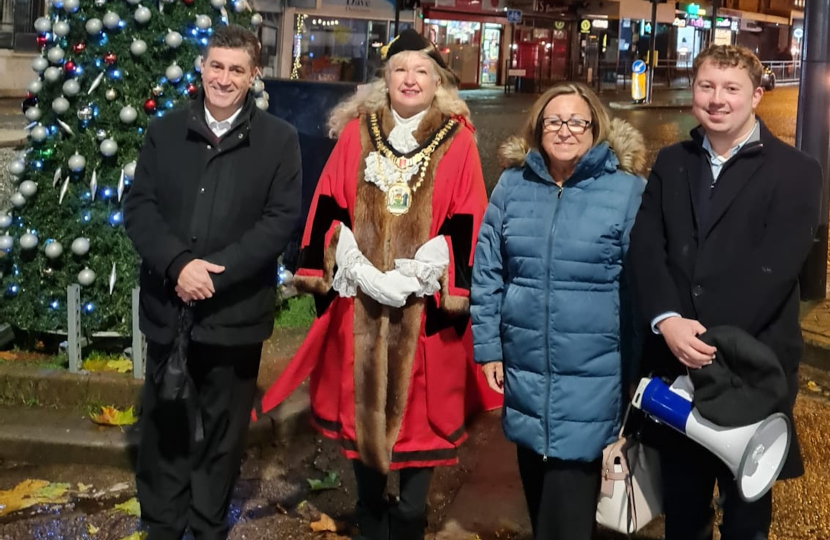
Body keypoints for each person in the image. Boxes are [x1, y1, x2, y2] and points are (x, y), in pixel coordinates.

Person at [255, 29, 501, 540]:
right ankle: (370, 518)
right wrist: (352, 262)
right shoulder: (355, 135)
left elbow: (470, 220)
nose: (410, 79)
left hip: (424, 321)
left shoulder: (458, 141)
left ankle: (409, 520)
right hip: (359, 311)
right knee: (364, 463)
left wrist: (420, 272)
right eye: (399, 70)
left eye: (421, 71)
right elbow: (327, 207)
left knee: (415, 465)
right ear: (384, 79)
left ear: (438, 83)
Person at [628, 44, 822, 540]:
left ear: (756, 95)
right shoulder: (671, 162)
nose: (717, 99)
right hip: (676, 360)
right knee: (684, 510)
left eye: (731, 89)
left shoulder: (797, 171)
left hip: (752, 368)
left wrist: (705, 340)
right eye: (706, 86)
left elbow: (774, 271)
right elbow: (647, 248)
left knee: (746, 515)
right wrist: (668, 321)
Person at [123, 24, 301, 540]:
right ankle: (163, 525)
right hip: (168, 308)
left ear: (253, 76)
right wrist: (179, 265)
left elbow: (279, 222)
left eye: (236, 69)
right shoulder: (164, 131)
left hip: (234, 316)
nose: (224, 78)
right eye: (216, 66)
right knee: (165, 428)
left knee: (223, 435)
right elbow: (140, 208)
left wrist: (212, 276)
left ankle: (205, 527)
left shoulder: (279, 141)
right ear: (201, 68)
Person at [471, 81, 647, 540]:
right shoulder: (513, 185)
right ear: (538, 127)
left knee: (567, 518)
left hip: (592, 379)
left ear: (595, 129)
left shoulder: (626, 192)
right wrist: (488, 347)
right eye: (554, 120)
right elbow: (488, 270)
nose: (564, 130)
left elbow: (641, 287)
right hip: (526, 376)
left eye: (576, 121)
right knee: (538, 503)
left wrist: (639, 375)